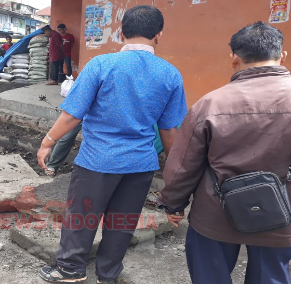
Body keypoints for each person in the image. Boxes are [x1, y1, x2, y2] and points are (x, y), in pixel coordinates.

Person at [36, 6, 187, 283]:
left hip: (98, 161)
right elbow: (169, 132)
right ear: (159, 35)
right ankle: (108, 274)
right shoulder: (170, 74)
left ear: (120, 32)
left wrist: (47, 143)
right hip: (140, 165)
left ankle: (70, 268)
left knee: (82, 216)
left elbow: (72, 115)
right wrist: (175, 173)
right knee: (123, 223)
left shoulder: (101, 65)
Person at [157, 22, 291, 284]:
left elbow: (184, 164)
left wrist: (173, 203)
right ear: (282, 55)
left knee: (210, 276)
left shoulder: (211, 103)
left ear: (233, 58)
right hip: (282, 215)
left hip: (216, 216)